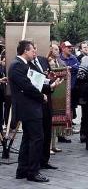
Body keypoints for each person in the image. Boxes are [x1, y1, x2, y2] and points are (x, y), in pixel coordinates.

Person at [9, 40, 49, 182]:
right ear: (25, 51)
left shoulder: (23, 65)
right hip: (29, 108)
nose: (34, 53)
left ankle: (22, 170)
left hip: (30, 107)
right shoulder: (16, 66)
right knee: (37, 139)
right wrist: (41, 96)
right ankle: (33, 171)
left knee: (28, 139)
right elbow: (27, 86)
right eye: (32, 50)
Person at [29, 45, 61, 170]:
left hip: (47, 98)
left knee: (47, 130)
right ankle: (36, 162)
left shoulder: (42, 60)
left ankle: (44, 160)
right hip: (37, 100)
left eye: (36, 48)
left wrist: (51, 80)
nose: (35, 51)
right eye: (33, 49)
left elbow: (47, 76)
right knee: (39, 133)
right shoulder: (28, 64)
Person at [60, 41, 79, 122]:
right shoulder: (59, 58)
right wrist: (71, 68)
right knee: (62, 106)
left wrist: (69, 68)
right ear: (63, 48)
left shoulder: (74, 58)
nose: (70, 49)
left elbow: (78, 66)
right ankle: (64, 122)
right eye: (68, 47)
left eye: (70, 47)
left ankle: (70, 122)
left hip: (72, 87)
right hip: (62, 87)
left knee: (72, 106)